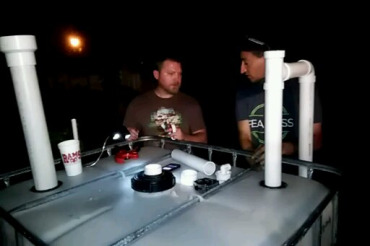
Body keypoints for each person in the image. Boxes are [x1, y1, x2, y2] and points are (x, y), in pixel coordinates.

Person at [235, 36, 322, 167]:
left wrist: (287, 148)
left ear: (266, 59)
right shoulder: (244, 94)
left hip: (295, 171)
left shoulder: (303, 90)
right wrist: (252, 156)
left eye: (246, 62)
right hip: (259, 172)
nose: (242, 70)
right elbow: (245, 136)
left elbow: (316, 140)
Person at [123, 54, 207, 143]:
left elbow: (203, 139)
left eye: (179, 74)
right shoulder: (137, 104)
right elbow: (124, 137)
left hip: (182, 156)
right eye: (171, 73)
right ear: (156, 75)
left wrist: (184, 137)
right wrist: (129, 136)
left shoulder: (190, 104)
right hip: (150, 156)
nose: (177, 79)